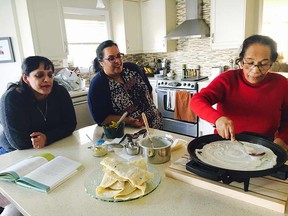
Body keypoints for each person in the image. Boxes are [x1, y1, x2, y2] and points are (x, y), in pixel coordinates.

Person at [190, 34, 288, 151]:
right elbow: (196, 101)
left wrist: (282, 139)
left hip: (264, 147)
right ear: (241, 61)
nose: (255, 70)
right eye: (250, 62)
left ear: (271, 63)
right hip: (225, 144)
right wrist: (217, 118)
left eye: (263, 64)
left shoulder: (281, 84)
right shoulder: (228, 79)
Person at [0, 56, 77, 153]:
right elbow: (19, 142)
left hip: (51, 144)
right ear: (26, 78)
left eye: (50, 75)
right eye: (39, 75)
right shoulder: (11, 98)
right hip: (13, 152)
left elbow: (71, 124)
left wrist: (47, 137)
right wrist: (52, 135)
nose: (47, 80)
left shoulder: (59, 92)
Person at [88, 40, 162, 129]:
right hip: (129, 132)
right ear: (101, 62)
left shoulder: (133, 69)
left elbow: (149, 91)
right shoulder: (98, 85)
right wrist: (128, 120)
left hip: (156, 125)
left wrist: (151, 111)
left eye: (119, 56)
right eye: (111, 58)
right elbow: (101, 119)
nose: (118, 61)